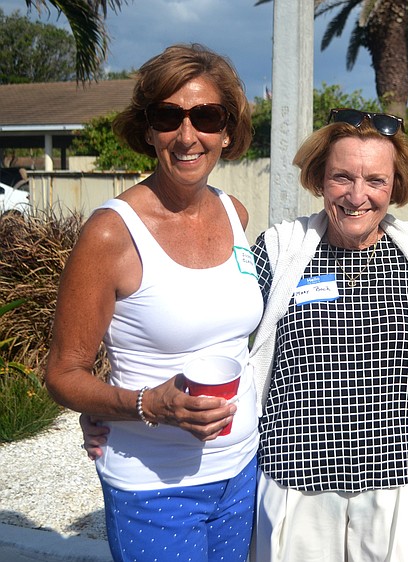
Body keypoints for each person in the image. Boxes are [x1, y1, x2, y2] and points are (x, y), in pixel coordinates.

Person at [45, 44, 262, 562]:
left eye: (206, 116)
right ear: (148, 130)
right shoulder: (111, 233)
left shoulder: (236, 214)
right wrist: (147, 405)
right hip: (153, 487)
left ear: (227, 132)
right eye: (169, 116)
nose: (188, 136)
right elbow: (62, 374)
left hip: (242, 472)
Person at [247, 109, 408, 560]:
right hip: (296, 476)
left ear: (396, 185)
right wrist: (127, 403)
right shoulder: (277, 250)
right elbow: (217, 332)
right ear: (318, 179)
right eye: (342, 177)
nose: (358, 196)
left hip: (398, 476)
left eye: (376, 180)